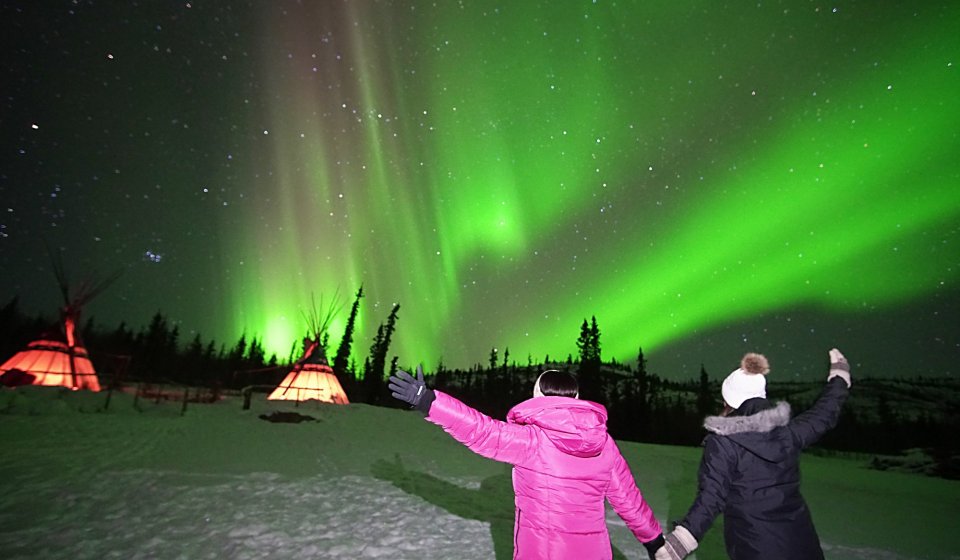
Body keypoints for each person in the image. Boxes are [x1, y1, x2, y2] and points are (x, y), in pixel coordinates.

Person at [388, 367, 669, 560]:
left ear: (537, 396)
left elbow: (482, 431)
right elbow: (629, 500)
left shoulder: (533, 441)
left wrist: (428, 401)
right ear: (577, 399)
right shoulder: (605, 445)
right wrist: (654, 541)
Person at [658, 348, 852, 560]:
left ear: (730, 402)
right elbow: (823, 415)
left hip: (756, 549)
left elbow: (711, 498)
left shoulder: (724, 442)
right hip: (802, 545)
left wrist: (681, 542)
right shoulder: (788, 432)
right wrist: (839, 379)